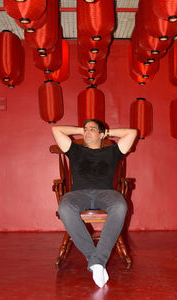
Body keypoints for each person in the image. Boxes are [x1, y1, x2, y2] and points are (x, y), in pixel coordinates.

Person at [51, 119, 137, 288]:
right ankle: (96, 261)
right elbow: (56, 129)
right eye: (85, 129)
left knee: (120, 206)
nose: (87, 132)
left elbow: (132, 133)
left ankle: (96, 261)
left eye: (92, 129)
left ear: (101, 134)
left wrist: (108, 132)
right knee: (65, 207)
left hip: (105, 193)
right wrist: (80, 129)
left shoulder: (113, 151)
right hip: (78, 194)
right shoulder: (75, 150)